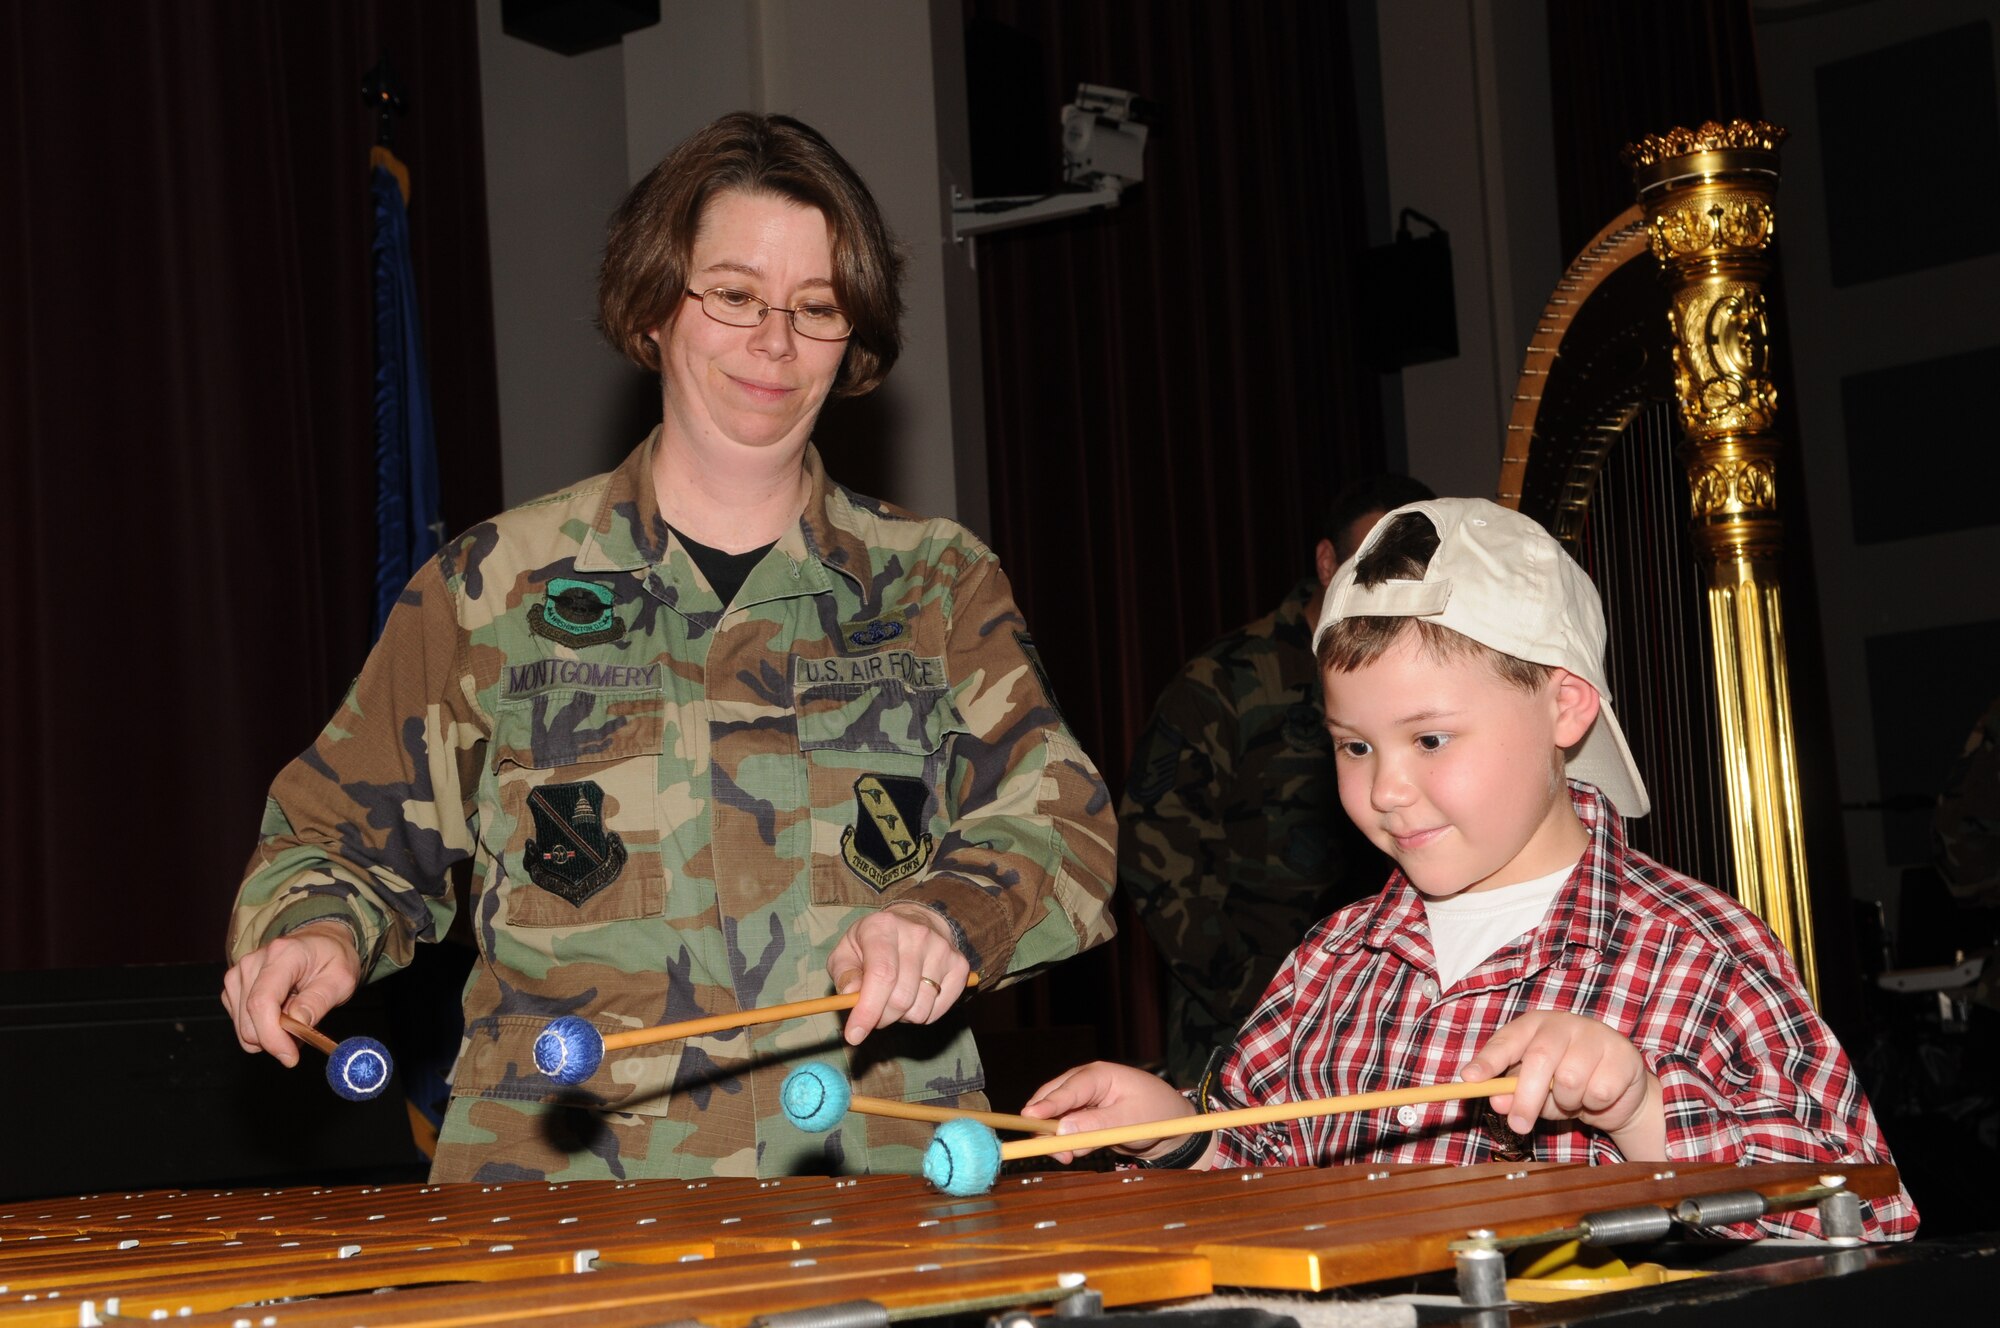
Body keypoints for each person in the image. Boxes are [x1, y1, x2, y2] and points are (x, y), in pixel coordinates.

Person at [221, 112, 1117, 1182]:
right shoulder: (491, 588)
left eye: (816, 307)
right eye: (734, 295)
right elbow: (334, 839)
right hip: (562, 1203)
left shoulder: (937, 584)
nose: (774, 342)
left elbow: (1063, 825)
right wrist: (314, 931)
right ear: (654, 305)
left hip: (874, 1186)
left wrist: (948, 917)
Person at [1024, 497, 1916, 1241]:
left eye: (1430, 739)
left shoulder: (1698, 952)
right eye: (1354, 746)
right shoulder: (1331, 962)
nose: (1386, 789)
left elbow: (1867, 1217)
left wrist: (1643, 1110)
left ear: (1566, 707)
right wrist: (1179, 1136)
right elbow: (1262, 1175)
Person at [1121, 475, 1431, 1086]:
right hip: (1240, 1018)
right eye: (1373, 560)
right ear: (1327, 563)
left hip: (1393, 1001)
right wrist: (1260, 993)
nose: (1391, 582)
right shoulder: (1227, 682)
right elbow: (1155, 852)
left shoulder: (1437, 679)